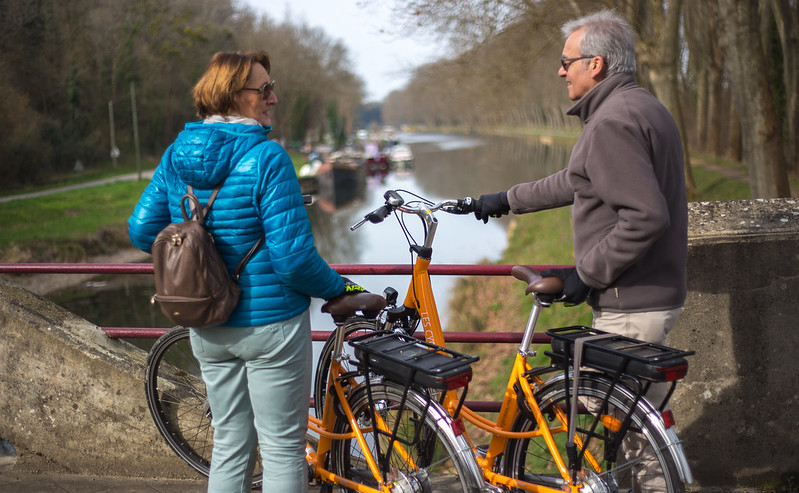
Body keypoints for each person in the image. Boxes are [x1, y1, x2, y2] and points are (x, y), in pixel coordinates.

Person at [473, 10, 687, 491]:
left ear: (597, 64)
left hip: (630, 300)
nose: (559, 70)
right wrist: (504, 201)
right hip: (651, 292)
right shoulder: (640, 107)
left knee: (631, 437)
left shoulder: (612, 121)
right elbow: (577, 180)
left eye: (567, 60)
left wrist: (583, 274)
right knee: (631, 424)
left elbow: (645, 216)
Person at [128, 51, 358, 492]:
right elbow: (294, 262)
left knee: (231, 444)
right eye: (264, 89)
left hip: (206, 323)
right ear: (233, 94)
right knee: (282, 450)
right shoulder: (268, 159)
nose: (274, 98)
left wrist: (196, 248)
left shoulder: (176, 156)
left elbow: (142, 231)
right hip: (270, 329)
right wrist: (341, 286)